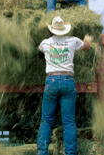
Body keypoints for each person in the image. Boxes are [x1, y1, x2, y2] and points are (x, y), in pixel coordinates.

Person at [36, 16, 93, 155]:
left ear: (52, 30)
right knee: (69, 123)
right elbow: (87, 47)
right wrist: (87, 40)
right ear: (64, 29)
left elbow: (39, 49)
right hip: (68, 81)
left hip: (52, 81)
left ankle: (42, 152)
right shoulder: (73, 40)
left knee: (46, 122)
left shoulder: (45, 42)